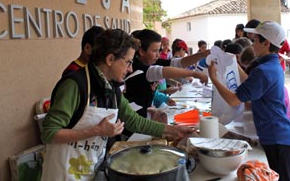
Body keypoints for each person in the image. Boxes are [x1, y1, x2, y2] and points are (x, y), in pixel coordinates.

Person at [41, 29, 195, 181]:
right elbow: (49, 133)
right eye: (128, 62)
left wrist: (175, 131)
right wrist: (95, 131)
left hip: (89, 167)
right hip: (63, 173)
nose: (131, 68)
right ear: (110, 59)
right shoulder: (74, 85)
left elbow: (134, 120)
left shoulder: (111, 88)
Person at [208, 21, 290, 181]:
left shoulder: (264, 71)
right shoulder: (271, 65)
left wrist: (214, 79)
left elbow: (234, 100)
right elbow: (250, 81)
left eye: (255, 40)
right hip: (277, 134)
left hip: (277, 137)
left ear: (266, 43)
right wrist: (234, 64)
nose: (252, 44)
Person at [124, 29, 208, 119]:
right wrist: (194, 73)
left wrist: (202, 55)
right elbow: (163, 71)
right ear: (141, 51)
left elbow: (178, 63)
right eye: (154, 51)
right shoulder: (137, 67)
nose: (158, 55)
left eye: (159, 51)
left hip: (143, 119)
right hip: (133, 124)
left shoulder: (150, 60)